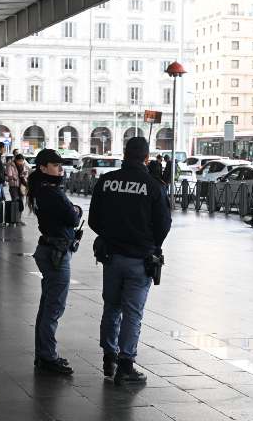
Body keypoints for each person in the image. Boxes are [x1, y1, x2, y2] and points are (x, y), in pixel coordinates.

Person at [89, 137, 172, 386]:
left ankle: (109, 356)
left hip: (111, 256)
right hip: (140, 259)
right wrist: (149, 243)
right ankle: (126, 365)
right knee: (132, 313)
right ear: (146, 158)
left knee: (111, 307)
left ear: (124, 154)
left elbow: (94, 219)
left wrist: (111, 236)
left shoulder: (106, 181)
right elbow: (164, 225)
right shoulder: (153, 186)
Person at [27, 149, 83, 375]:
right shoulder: (51, 192)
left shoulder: (40, 189)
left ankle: (43, 354)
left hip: (49, 249)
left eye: (61, 165)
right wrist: (76, 210)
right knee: (54, 307)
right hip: (56, 252)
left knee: (47, 305)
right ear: (42, 167)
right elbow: (72, 216)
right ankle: (48, 356)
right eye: (55, 165)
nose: (60, 168)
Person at [5, 153, 29, 226]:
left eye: (22, 161)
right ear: (16, 160)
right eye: (20, 161)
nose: (21, 162)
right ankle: (12, 221)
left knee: (20, 203)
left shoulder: (23, 165)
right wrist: (14, 177)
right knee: (15, 203)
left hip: (21, 186)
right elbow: (8, 175)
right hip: (14, 186)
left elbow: (26, 174)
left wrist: (24, 175)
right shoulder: (10, 165)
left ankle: (18, 220)